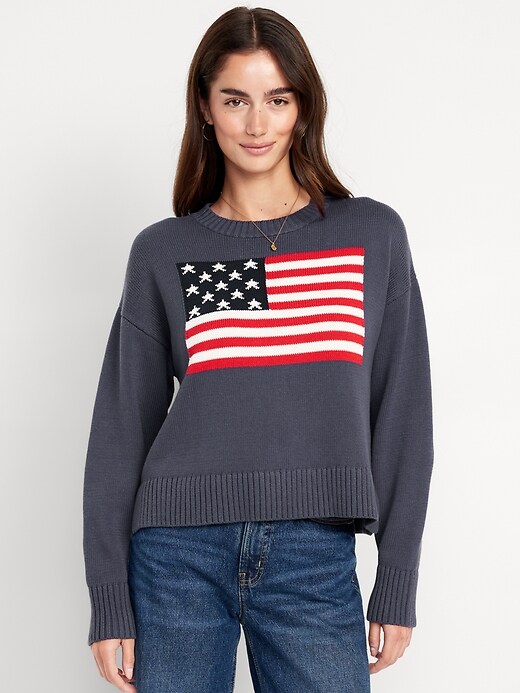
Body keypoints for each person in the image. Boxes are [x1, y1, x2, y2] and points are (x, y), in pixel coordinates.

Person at [82, 6, 434, 692]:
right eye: (235, 99)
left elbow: (403, 412)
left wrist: (398, 576)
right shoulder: (165, 251)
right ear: (205, 109)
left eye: (277, 99)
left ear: (302, 108)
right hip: (176, 557)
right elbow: (120, 430)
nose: (256, 124)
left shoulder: (369, 235)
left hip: (313, 555)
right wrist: (109, 598)